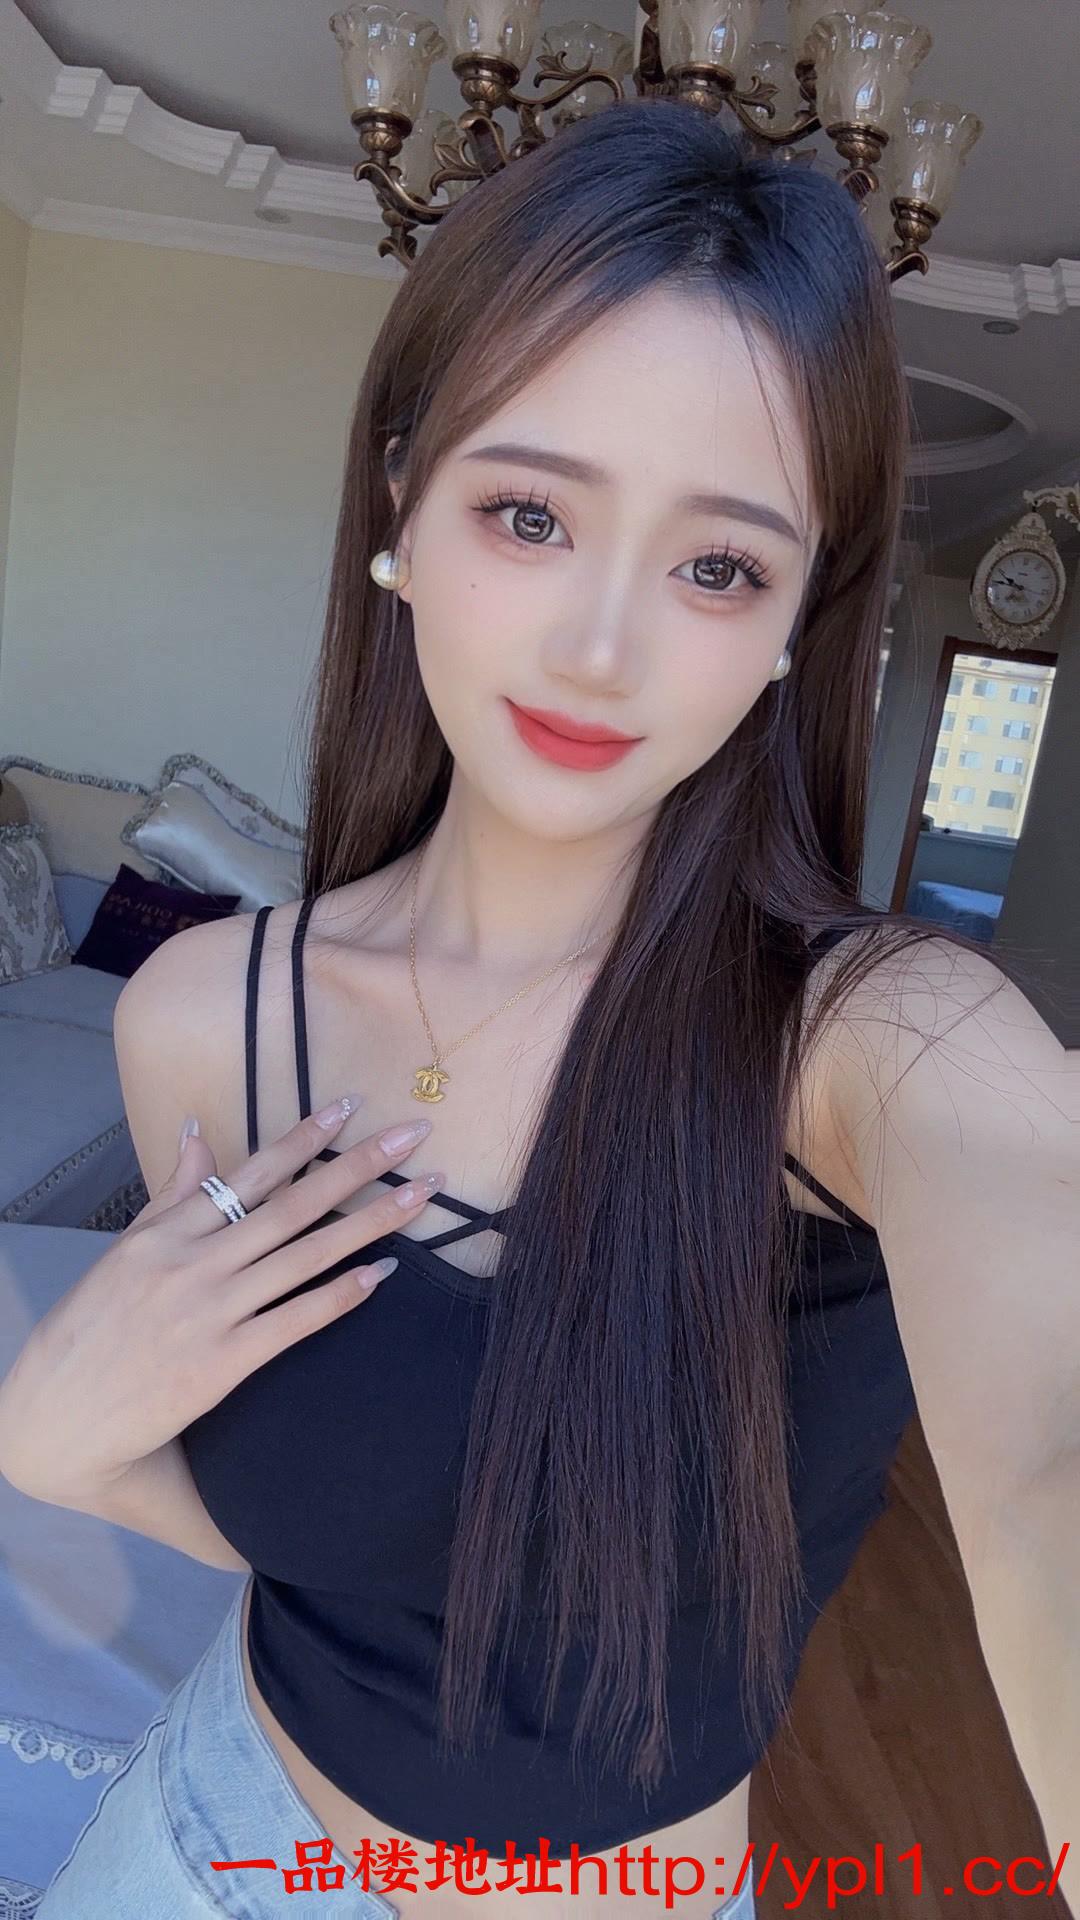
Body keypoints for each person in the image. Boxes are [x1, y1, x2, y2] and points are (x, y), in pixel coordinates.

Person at [4, 94, 1074, 1920]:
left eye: (719, 565)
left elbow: (1053, 1463)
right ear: (402, 513)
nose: (600, 648)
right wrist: (58, 1449)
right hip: (194, 1851)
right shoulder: (202, 1020)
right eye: (528, 514)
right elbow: (353, 1558)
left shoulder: (876, 1043)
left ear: (795, 625)